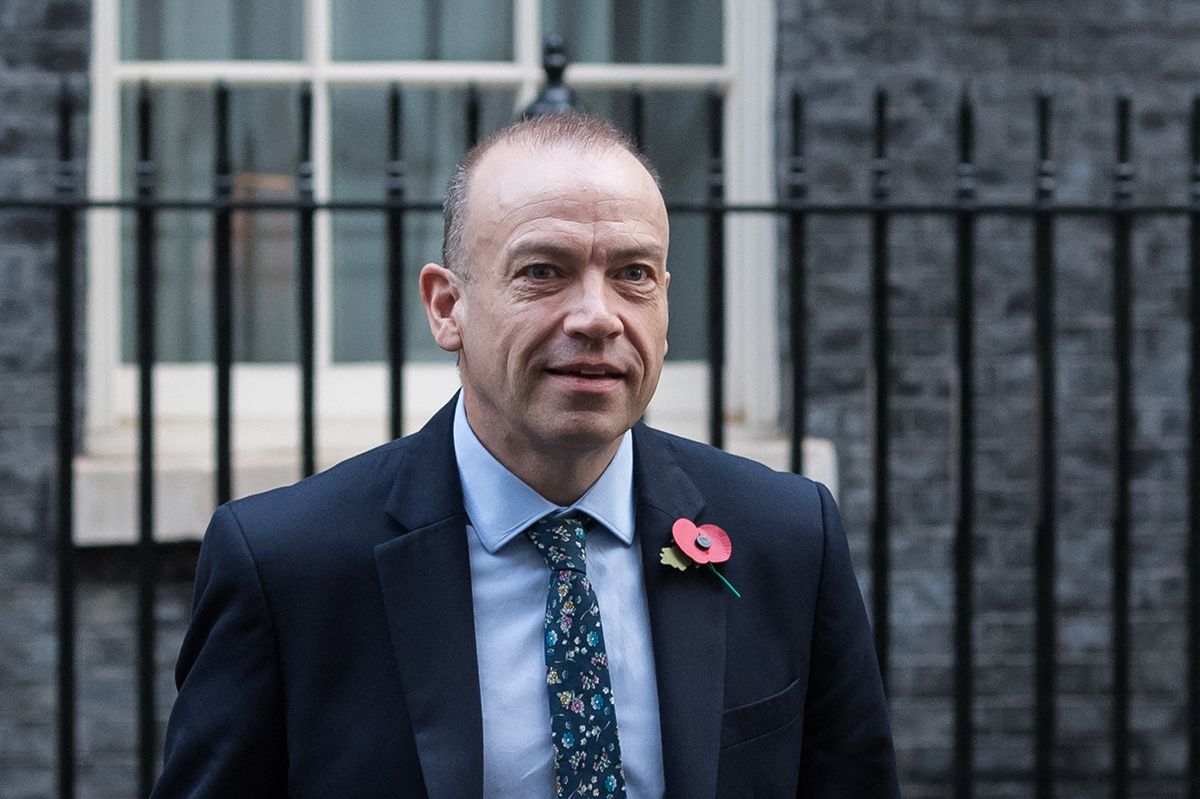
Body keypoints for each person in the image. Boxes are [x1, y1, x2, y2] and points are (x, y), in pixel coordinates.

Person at [152, 112, 898, 798]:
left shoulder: (789, 537)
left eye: (634, 274)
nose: (597, 316)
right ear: (448, 307)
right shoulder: (287, 566)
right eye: (543, 271)